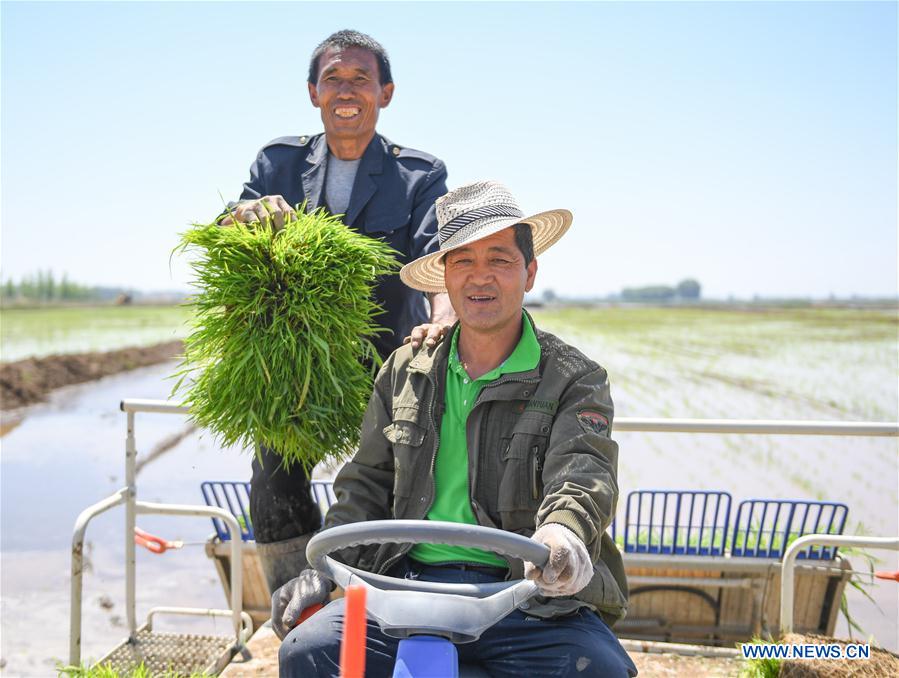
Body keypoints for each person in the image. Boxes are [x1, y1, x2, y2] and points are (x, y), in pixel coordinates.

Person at [274, 181, 638, 677]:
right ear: (444, 277)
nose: (479, 276)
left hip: (525, 596)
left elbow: (583, 474)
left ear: (530, 273)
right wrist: (320, 567)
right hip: (403, 586)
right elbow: (365, 484)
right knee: (307, 651)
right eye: (462, 261)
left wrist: (561, 534)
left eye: (499, 260)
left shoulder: (573, 378)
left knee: (598, 669)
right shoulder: (405, 369)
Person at [219, 29, 456, 591]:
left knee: (389, 479)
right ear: (313, 92)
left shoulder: (419, 174)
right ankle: (292, 599)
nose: (346, 91)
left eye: (360, 79)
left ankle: (369, 600)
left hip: (387, 358)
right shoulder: (279, 162)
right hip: (293, 359)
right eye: (333, 79)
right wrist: (245, 216)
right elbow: (226, 226)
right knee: (273, 477)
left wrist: (444, 315)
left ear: (385, 93)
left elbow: (437, 260)